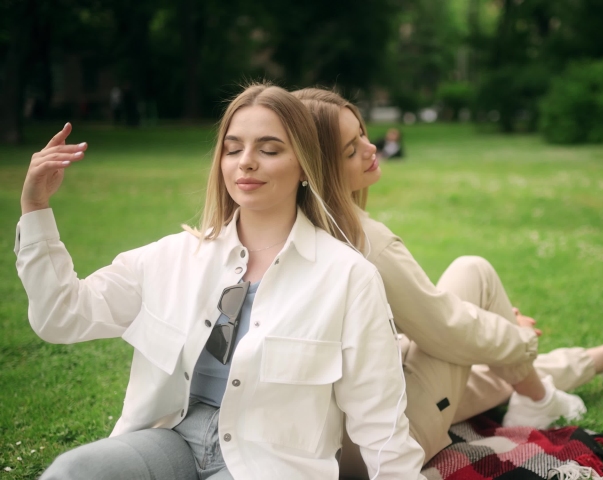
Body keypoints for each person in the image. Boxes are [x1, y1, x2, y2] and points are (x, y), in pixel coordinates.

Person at [16, 83, 427, 480]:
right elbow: (60, 316)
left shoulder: (348, 278)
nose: (246, 161)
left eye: (269, 149)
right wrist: (35, 207)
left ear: (304, 164)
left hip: (269, 464)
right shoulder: (174, 257)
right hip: (171, 440)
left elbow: (381, 421)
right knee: (75, 471)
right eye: (233, 149)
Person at [293, 88, 603, 474]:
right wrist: (516, 335)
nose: (370, 147)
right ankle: (544, 394)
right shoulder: (363, 240)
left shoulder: (293, 229)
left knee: (487, 369)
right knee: (474, 276)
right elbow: (448, 329)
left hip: (352, 431)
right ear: (319, 168)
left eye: (363, 133)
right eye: (351, 149)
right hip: (379, 445)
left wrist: (493, 337)